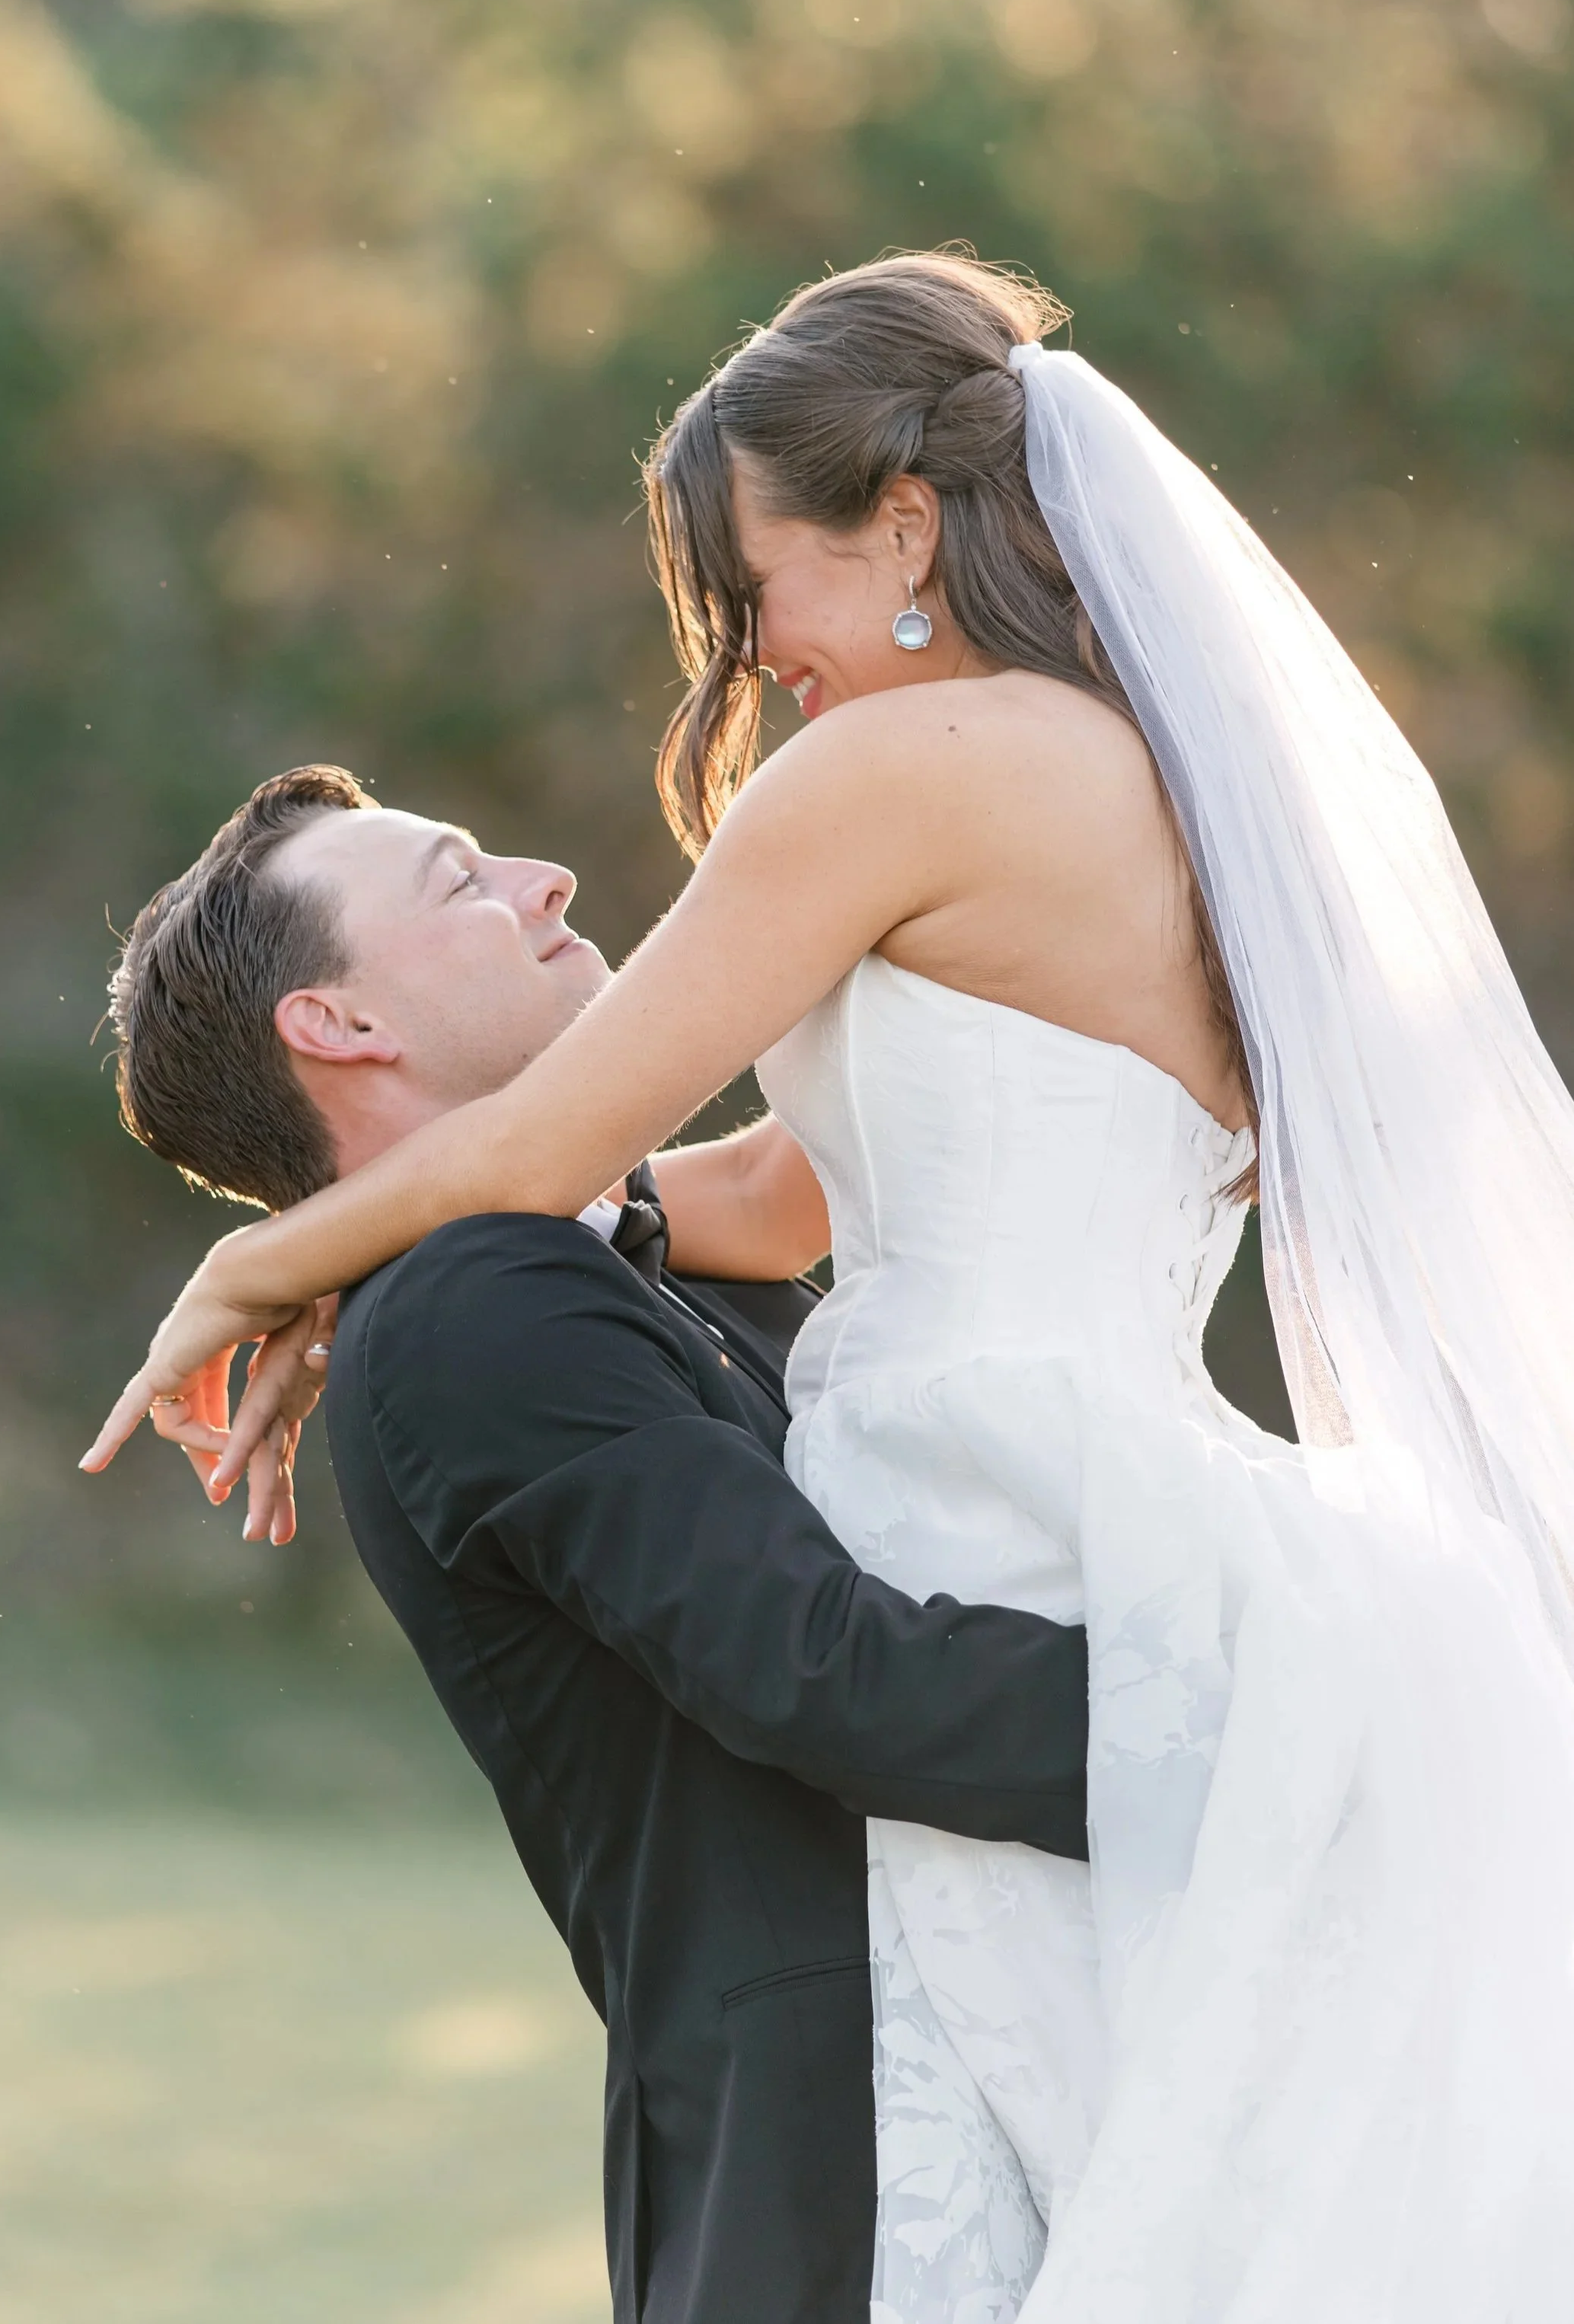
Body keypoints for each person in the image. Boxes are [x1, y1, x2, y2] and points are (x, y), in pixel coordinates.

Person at [88, 251, 1574, 2319]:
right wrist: (406, 1257)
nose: (750, 655)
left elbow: (535, 1159)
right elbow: (780, 1192)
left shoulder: (887, 779)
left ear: (896, 523)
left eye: (749, 586)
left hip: (999, 1494)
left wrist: (257, 1262)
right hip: (1144, 1492)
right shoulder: (1152, 793)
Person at [97, 765, 1093, 2324]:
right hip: (852, 2178)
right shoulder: (471, 1313)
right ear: (341, 1027)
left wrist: (285, 1247)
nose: (545, 876)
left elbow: (790, 1185)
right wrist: (1265, 1728)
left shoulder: (615, 1257)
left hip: (988, 2070)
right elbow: (821, 1677)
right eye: (457, 880)